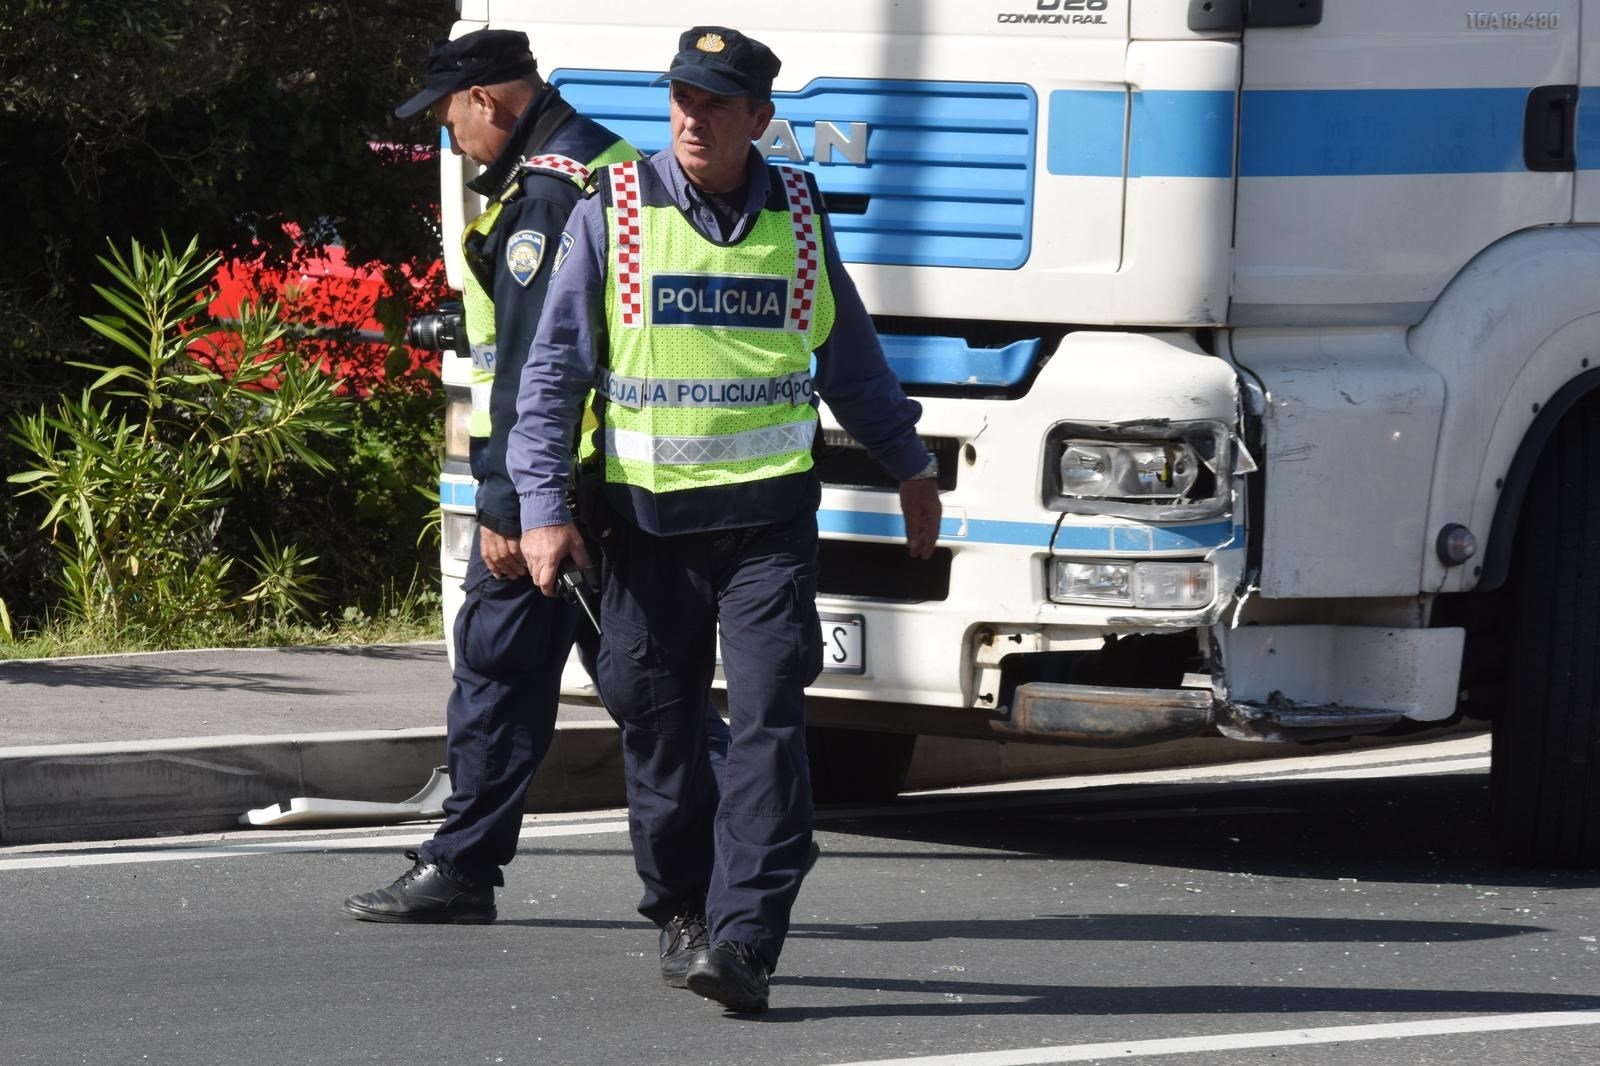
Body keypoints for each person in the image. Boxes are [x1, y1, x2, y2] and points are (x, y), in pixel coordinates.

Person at [508, 26, 941, 1012]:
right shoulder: (611, 211)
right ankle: (681, 907)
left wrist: (910, 463)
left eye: (715, 102)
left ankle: (745, 935)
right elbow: (551, 373)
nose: (693, 117)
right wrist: (540, 508)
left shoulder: (796, 208)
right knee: (657, 730)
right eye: (682, 98)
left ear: (759, 118)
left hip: (766, 529)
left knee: (769, 723)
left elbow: (849, 358)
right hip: (645, 530)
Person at [343, 28, 728, 925]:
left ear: (487, 99)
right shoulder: (608, 163)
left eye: (447, 118)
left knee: (508, 674)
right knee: (636, 682)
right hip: (614, 479)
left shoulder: (548, 193)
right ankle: (745, 826)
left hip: (555, 488)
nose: (448, 138)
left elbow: (527, 364)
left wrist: (509, 503)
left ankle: (468, 867)